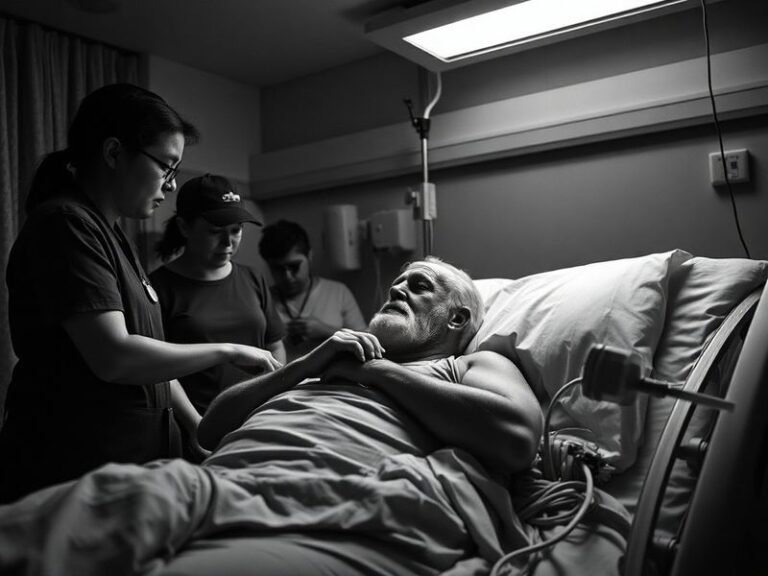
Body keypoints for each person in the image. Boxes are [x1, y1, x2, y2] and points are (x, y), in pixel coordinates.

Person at [0, 257, 544, 576]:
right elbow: (214, 428)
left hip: (328, 501)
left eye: (420, 286)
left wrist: (376, 375)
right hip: (215, 483)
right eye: (398, 281)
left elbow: (516, 438)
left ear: (457, 319)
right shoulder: (329, 361)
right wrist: (303, 366)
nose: (398, 288)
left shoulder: (469, 363)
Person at [0, 84, 281, 504]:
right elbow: (115, 356)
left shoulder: (113, 236)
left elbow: (153, 361)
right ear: (114, 153)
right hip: (75, 465)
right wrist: (228, 351)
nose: (169, 187)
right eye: (166, 167)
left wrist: (194, 426)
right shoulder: (65, 224)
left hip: (132, 465)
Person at [149, 174, 286, 458]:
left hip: (257, 420)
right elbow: (158, 369)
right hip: (194, 429)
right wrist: (198, 427)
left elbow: (274, 347)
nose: (228, 242)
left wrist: (275, 402)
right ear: (184, 227)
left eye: (236, 230)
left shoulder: (252, 279)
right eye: (215, 231)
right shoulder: (158, 287)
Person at [259, 219, 366, 361]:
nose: (288, 277)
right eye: (278, 269)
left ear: (309, 256)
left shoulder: (338, 292)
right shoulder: (262, 301)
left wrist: (326, 331)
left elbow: (366, 341)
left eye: (294, 266)